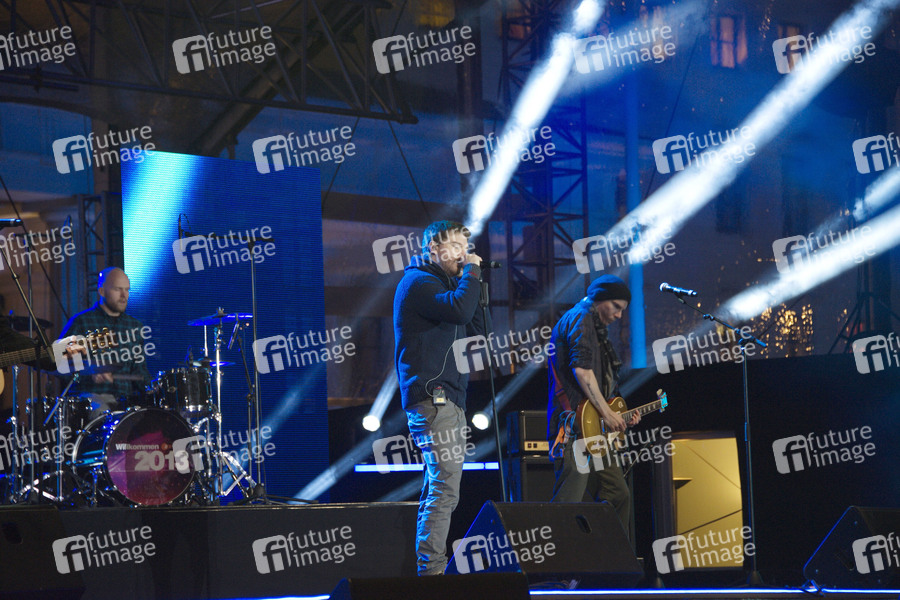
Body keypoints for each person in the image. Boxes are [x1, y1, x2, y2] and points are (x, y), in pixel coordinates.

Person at [393, 220, 490, 576]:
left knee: (440, 487)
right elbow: (460, 311)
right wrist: (472, 273)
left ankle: (428, 571)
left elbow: (479, 331)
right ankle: (432, 575)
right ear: (434, 248)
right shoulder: (418, 282)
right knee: (445, 490)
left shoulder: (449, 287)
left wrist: (475, 282)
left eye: (467, 248)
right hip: (433, 401)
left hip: (450, 400)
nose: (464, 254)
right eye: (457, 247)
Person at [547, 274, 640, 539]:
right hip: (574, 428)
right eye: (616, 307)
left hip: (594, 428)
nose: (619, 315)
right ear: (599, 299)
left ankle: (609, 557)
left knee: (617, 494)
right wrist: (608, 414)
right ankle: (555, 561)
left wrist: (617, 413)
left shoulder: (594, 325)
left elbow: (600, 381)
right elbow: (582, 371)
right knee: (568, 502)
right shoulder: (581, 319)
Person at [60, 267, 151, 416]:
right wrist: (89, 373)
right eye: (117, 289)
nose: (124, 295)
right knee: (102, 413)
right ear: (102, 291)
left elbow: (140, 371)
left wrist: (154, 388)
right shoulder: (82, 322)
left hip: (127, 400)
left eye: (127, 290)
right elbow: (60, 364)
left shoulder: (135, 326)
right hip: (92, 398)